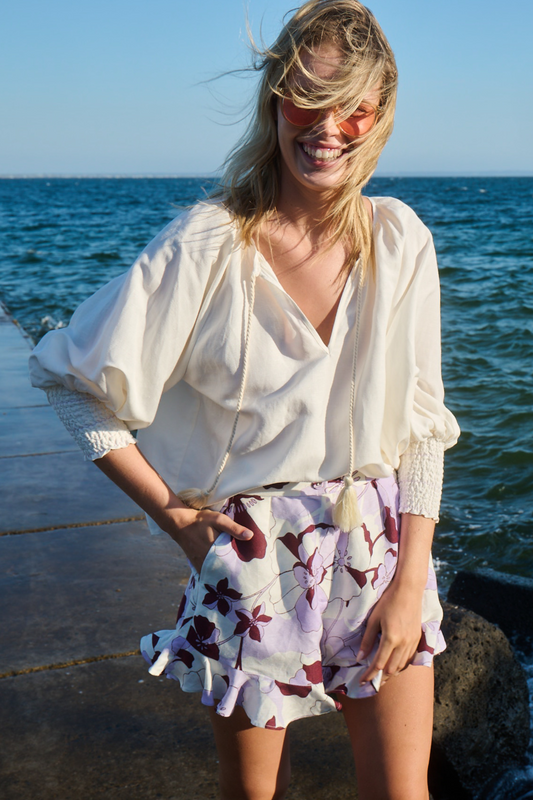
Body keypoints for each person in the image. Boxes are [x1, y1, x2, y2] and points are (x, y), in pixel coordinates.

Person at [29, 1, 460, 797]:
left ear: (380, 113)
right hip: (254, 554)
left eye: (352, 106)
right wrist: (176, 517)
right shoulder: (208, 243)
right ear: (274, 102)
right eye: (305, 98)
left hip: (381, 547)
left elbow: (422, 429)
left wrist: (411, 578)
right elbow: (67, 381)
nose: (326, 127)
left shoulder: (401, 240)